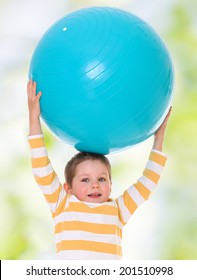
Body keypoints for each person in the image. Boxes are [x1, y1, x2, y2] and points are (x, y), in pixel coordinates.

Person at [27, 80, 172, 260]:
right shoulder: (62, 204)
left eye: (101, 179)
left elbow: (148, 182)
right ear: (68, 188)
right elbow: (42, 169)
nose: (94, 185)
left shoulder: (118, 209)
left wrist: (159, 138)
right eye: (85, 180)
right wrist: (33, 118)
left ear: (110, 186)